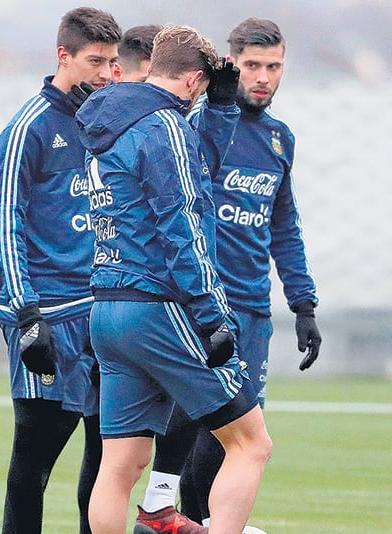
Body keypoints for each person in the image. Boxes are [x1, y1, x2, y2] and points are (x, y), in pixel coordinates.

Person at [75, 25, 274, 534]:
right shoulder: (164, 127)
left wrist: (222, 110)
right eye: (203, 89)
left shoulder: (112, 123)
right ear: (191, 81)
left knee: (120, 466)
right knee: (251, 443)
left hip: (107, 306)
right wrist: (213, 315)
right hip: (156, 306)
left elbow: (186, 170)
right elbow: (182, 224)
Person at [136, 18, 322, 533]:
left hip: (254, 312)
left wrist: (303, 304)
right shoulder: (198, 127)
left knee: (234, 437)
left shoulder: (280, 140)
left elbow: (284, 225)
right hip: (200, 306)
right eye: (253, 65)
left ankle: (190, 521)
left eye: (274, 67)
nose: (263, 77)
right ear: (230, 64)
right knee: (204, 424)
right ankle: (167, 511)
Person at [0, 7, 120, 533]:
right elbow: (5, 225)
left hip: (106, 311)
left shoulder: (108, 124)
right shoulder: (28, 130)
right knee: (33, 467)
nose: (107, 73)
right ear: (62, 56)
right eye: (95, 61)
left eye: (113, 62)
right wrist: (26, 315)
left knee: (110, 456)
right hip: (49, 314)